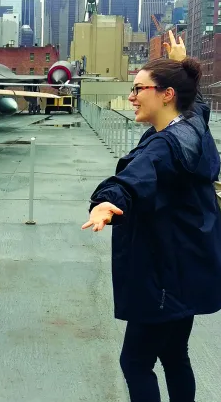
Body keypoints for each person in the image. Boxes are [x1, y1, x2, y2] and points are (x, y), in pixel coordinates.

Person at [82, 57, 221, 401]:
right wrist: (185, 64)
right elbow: (198, 108)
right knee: (175, 355)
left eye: (138, 88)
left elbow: (134, 179)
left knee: (135, 362)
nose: (131, 96)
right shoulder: (191, 128)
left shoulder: (164, 146)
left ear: (166, 94)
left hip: (164, 277)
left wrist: (104, 201)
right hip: (187, 269)